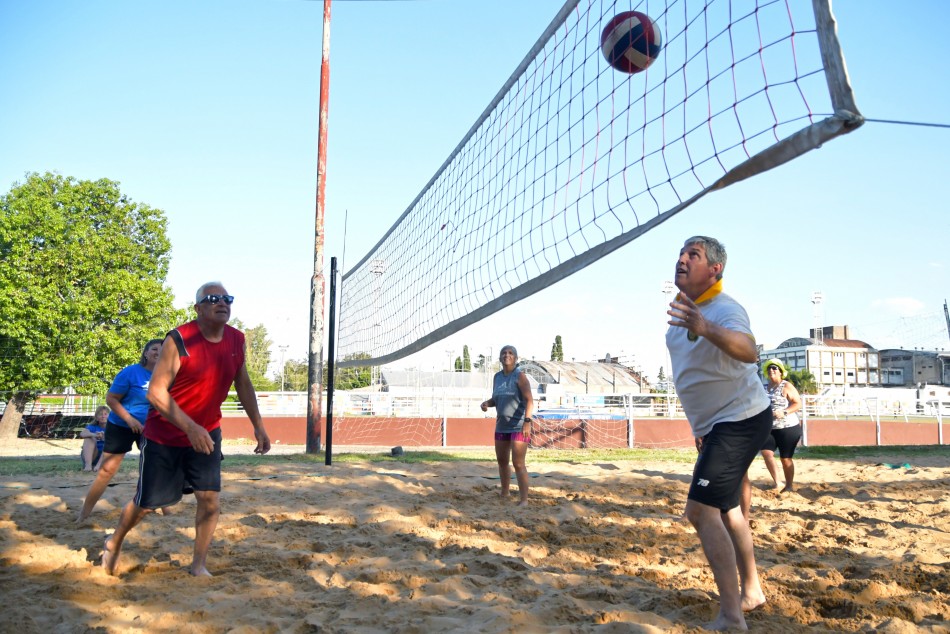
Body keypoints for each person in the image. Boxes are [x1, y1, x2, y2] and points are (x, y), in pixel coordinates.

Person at [101, 281, 271, 577]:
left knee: (209, 500)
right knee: (147, 504)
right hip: (165, 436)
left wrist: (258, 425)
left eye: (227, 298)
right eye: (213, 298)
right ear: (198, 308)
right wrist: (190, 427)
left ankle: (198, 565)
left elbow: (242, 383)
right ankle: (114, 541)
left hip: (206, 434)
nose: (222, 303)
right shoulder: (179, 339)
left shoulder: (236, 340)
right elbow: (155, 392)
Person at [665, 236, 772, 631]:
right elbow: (698, 376)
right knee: (728, 511)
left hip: (741, 419)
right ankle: (753, 591)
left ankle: (731, 616)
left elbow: (748, 350)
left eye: (693, 255)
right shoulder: (684, 315)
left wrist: (705, 326)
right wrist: (702, 429)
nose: (682, 259)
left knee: (699, 511)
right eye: (681, 253)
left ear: (715, 269)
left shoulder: (724, 309)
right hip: (718, 425)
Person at [76, 339, 164, 523]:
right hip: (121, 424)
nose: (159, 351)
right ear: (146, 353)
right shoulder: (131, 372)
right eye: (155, 348)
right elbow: (111, 399)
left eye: (163, 349)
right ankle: (84, 514)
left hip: (149, 427)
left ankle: (167, 513)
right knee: (107, 470)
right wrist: (129, 419)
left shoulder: (167, 375)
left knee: (155, 468)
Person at [480, 345, 534, 506]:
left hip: (518, 426)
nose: (507, 355)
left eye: (510, 353)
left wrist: (527, 421)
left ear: (516, 358)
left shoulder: (520, 376)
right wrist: (486, 403)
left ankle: (524, 499)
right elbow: (496, 399)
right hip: (501, 426)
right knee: (502, 461)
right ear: (500, 358)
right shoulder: (497, 377)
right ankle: (505, 493)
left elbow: (530, 401)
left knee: (518, 463)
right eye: (504, 352)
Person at [759, 358, 803, 493]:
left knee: (785, 458)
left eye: (774, 368)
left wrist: (784, 412)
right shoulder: (764, 387)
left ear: (780, 372)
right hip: (769, 428)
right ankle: (778, 483)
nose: (771, 370)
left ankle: (789, 486)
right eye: (769, 368)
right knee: (766, 453)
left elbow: (797, 404)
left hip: (788, 427)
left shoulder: (787, 386)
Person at [79, 406, 109, 471]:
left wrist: (105, 437)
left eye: (105, 414)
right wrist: (94, 435)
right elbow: (82, 434)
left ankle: (98, 466)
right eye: (100, 414)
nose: (103, 416)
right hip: (93, 454)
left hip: (105, 456)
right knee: (89, 438)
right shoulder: (92, 427)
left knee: (111, 442)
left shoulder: (113, 428)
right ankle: (88, 466)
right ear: (96, 417)